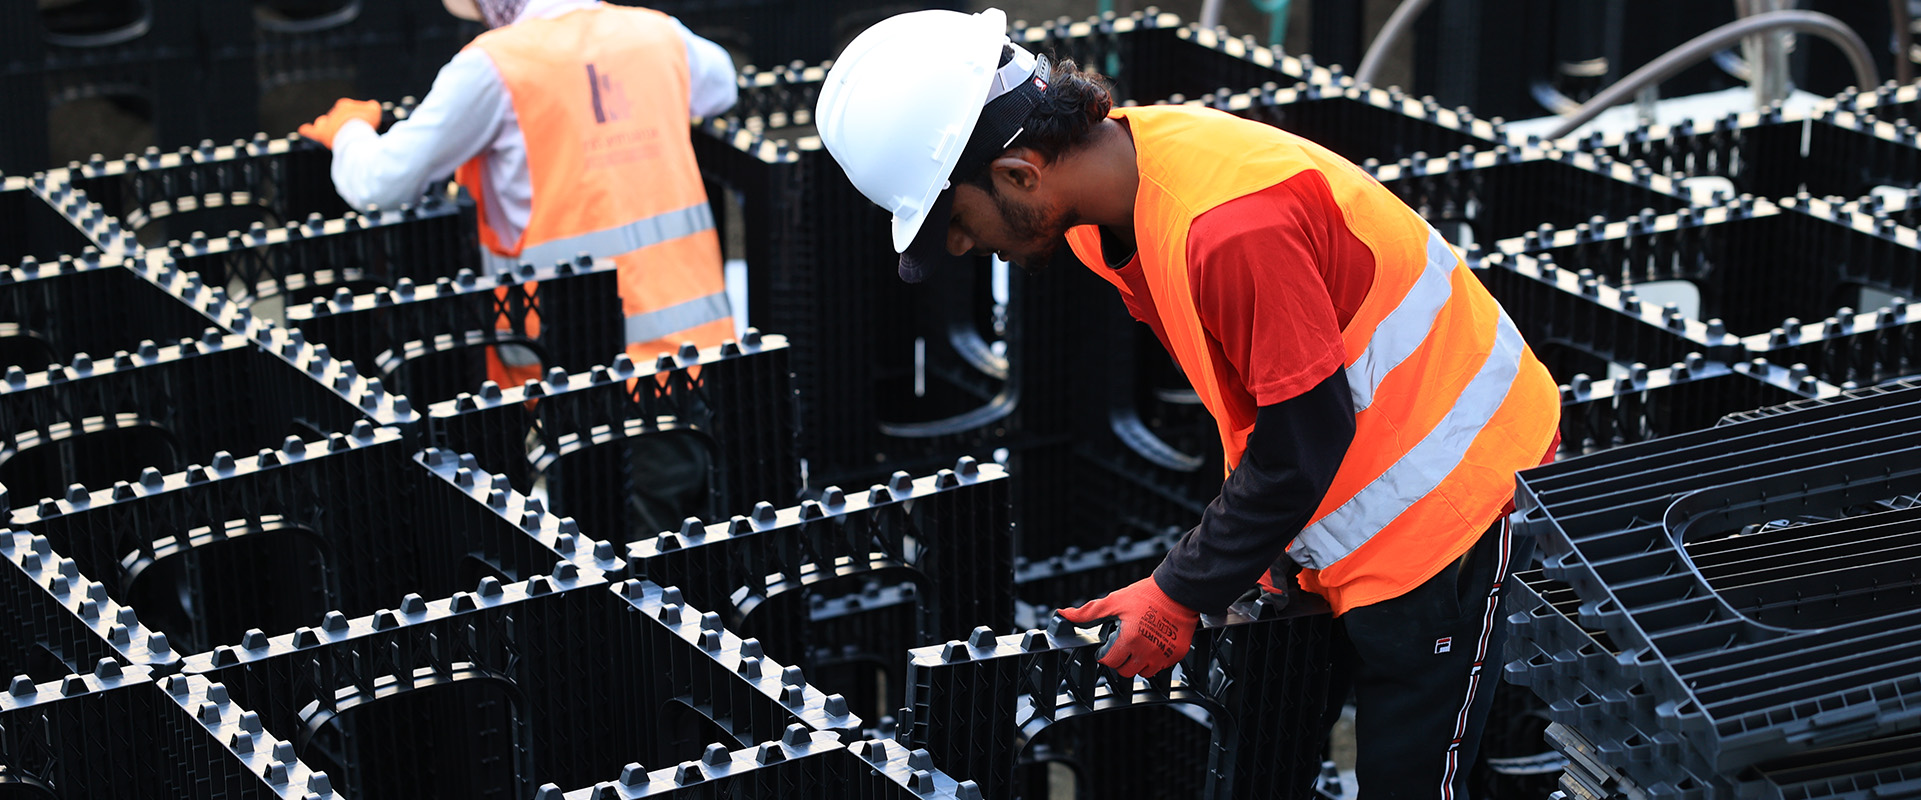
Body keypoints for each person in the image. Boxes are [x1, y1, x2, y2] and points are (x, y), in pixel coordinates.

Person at [814, 8, 1561, 798]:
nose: (962, 245)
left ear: (1021, 175)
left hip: (1450, 495)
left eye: (957, 219)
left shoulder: (1229, 227)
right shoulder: (1115, 201)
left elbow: (1304, 437)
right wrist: (1244, 549)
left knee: (1410, 779)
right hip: (1348, 485)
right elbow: (1260, 392)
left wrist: (1180, 588)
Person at [298, 0, 739, 385]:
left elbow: (381, 183)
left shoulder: (494, 66)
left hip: (575, 378)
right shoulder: (657, 34)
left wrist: (349, 131)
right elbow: (721, 87)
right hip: (703, 357)